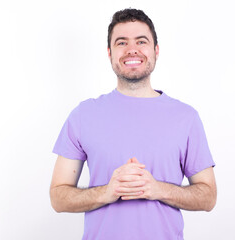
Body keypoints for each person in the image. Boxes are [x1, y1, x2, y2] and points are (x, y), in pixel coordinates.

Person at [50, 8, 217, 240]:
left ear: (156, 50)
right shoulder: (83, 115)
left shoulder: (186, 117)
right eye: (121, 42)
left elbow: (208, 197)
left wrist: (157, 189)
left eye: (141, 41)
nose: (132, 49)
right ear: (109, 53)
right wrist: (107, 192)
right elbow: (58, 197)